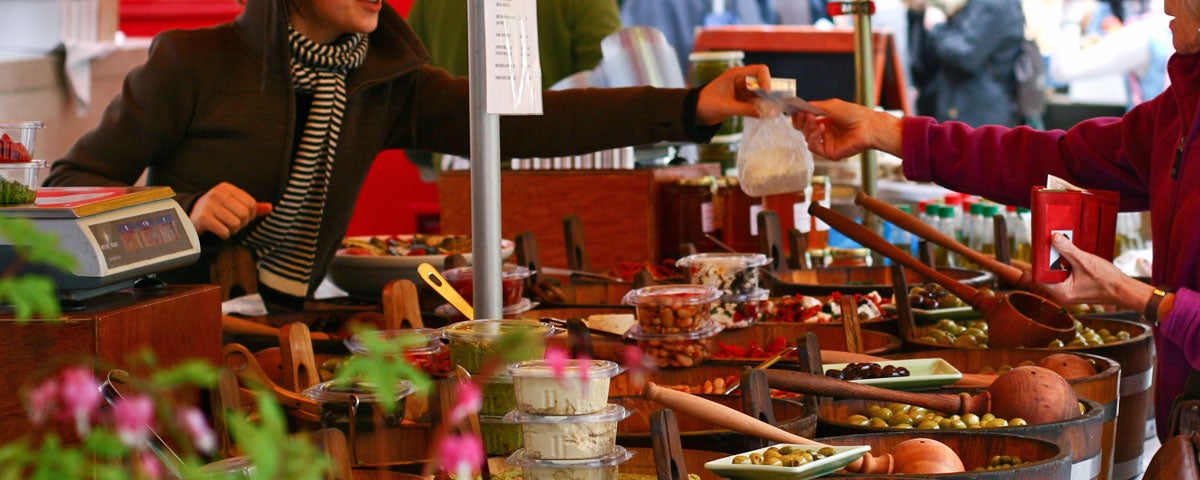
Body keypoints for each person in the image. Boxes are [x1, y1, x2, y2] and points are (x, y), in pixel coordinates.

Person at [43, 0, 773, 312]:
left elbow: (523, 123)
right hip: (172, 336)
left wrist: (691, 106)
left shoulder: (385, 78)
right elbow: (71, 185)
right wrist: (180, 215)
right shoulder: (191, 60)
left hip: (292, 331)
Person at [794, 0, 1200, 441]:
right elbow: (1053, 160)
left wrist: (1133, 293)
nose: (1165, 4)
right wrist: (887, 131)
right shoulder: (1180, 112)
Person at [407, 0, 621, 90]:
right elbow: (613, 82)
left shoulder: (428, 3)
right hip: (568, 173)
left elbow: (408, 87)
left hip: (458, 173)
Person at [907, 0, 1027, 126]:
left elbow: (964, 56)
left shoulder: (992, 4)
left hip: (977, 113)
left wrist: (936, 27)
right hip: (977, 107)